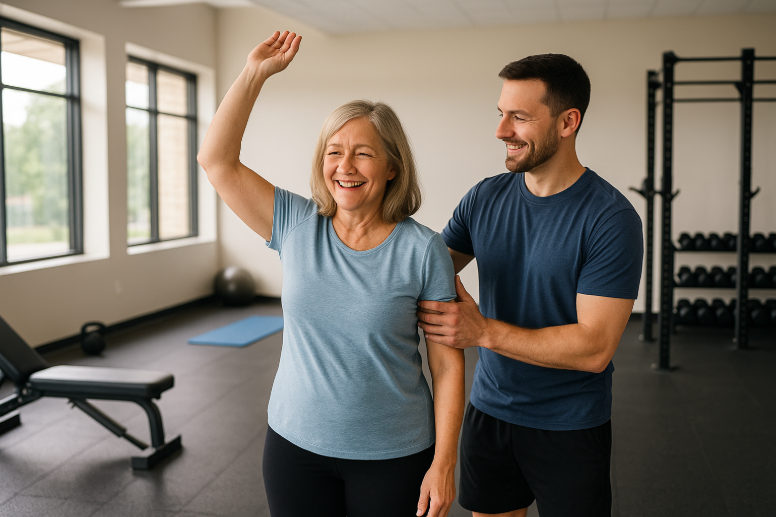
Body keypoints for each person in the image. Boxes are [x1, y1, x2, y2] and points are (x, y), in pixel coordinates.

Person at [197, 31, 464, 517]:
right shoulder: (297, 225)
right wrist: (255, 73)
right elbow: (216, 161)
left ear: (391, 167)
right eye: (333, 151)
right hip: (294, 447)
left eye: (363, 152)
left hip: (394, 453)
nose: (345, 165)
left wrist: (445, 462)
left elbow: (446, 365)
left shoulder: (422, 249)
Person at [416, 54, 643, 517]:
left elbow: (594, 347)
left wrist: (482, 333)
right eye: (501, 114)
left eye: (519, 118)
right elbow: (423, 270)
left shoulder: (610, 219)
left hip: (569, 424)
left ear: (568, 122)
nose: (501, 131)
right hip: (489, 411)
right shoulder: (485, 197)